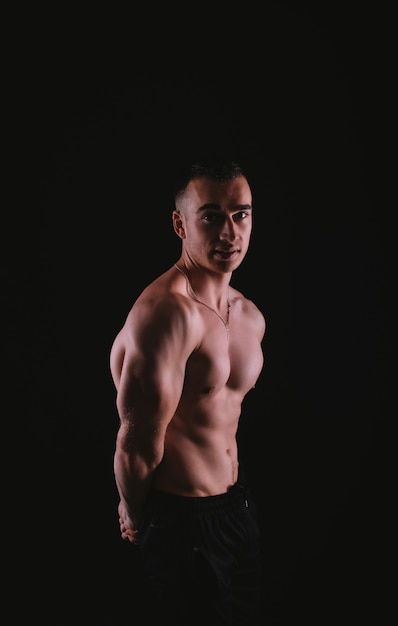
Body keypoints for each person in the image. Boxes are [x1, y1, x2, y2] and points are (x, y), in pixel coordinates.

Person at [110, 156, 266, 625]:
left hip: (236, 509)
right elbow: (137, 440)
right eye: (211, 216)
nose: (229, 232)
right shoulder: (167, 314)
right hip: (182, 523)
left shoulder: (247, 315)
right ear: (180, 224)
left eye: (240, 214)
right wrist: (134, 515)